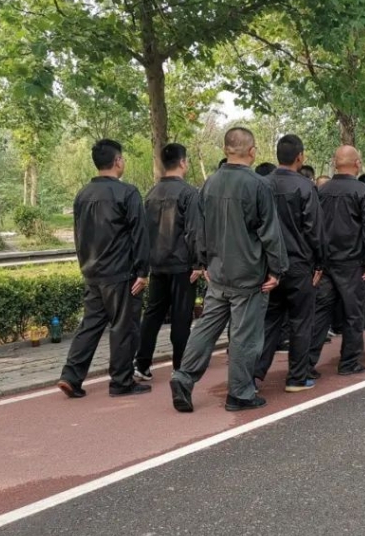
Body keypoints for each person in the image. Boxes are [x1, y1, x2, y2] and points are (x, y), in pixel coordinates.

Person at [170, 127, 288, 413]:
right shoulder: (258, 185)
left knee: (206, 327)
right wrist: (277, 269)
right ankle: (240, 393)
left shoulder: (209, 183)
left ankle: (184, 377)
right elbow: (270, 233)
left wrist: (202, 262)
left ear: (225, 149)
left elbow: (198, 229)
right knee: (245, 335)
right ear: (252, 151)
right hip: (248, 272)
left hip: (218, 270)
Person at [57, 139, 151, 399]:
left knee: (90, 325)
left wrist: (84, 265)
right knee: (124, 326)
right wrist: (143, 271)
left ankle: (71, 375)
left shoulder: (83, 194)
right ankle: (121, 381)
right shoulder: (127, 193)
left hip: (92, 271)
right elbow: (139, 234)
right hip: (120, 272)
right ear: (118, 161)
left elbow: (79, 235)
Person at [254, 134, 323, 392]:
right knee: (301, 321)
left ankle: (253, 375)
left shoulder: (261, 184)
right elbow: (314, 229)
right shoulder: (305, 186)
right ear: (300, 157)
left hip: (268, 265)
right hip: (299, 263)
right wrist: (320, 263)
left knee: (268, 321)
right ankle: (297, 377)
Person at [308, 145, 365, 376]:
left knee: (320, 314)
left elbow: (313, 226)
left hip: (326, 262)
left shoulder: (322, 190)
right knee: (353, 313)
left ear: (335, 162)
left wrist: (317, 260)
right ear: (357, 163)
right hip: (352, 262)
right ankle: (348, 362)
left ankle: (305, 365)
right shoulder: (362, 191)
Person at [134, 143, 200, 381]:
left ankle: (142, 363)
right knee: (182, 317)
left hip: (157, 263)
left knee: (153, 314)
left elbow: (143, 232)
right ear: (183, 162)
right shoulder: (189, 193)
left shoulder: (151, 193)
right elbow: (194, 231)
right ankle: (180, 367)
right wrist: (199, 263)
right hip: (182, 265)